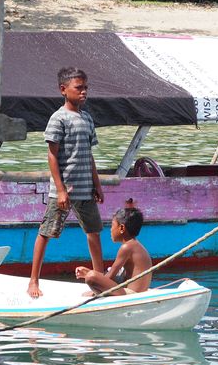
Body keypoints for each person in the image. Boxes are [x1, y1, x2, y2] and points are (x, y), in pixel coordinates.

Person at [28, 67, 105, 298]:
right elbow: (52, 155)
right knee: (46, 232)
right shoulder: (58, 118)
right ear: (63, 90)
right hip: (64, 191)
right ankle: (33, 280)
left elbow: (88, 155)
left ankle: (99, 282)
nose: (83, 92)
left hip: (85, 189)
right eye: (78, 88)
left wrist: (97, 184)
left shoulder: (87, 118)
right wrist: (60, 190)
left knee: (93, 232)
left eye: (85, 88)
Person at [75, 200, 151, 295]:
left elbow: (109, 277)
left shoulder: (127, 247)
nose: (110, 230)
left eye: (112, 226)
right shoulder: (135, 245)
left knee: (91, 277)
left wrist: (88, 274)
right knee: (93, 276)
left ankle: (95, 293)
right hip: (135, 290)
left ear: (122, 228)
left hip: (131, 293)